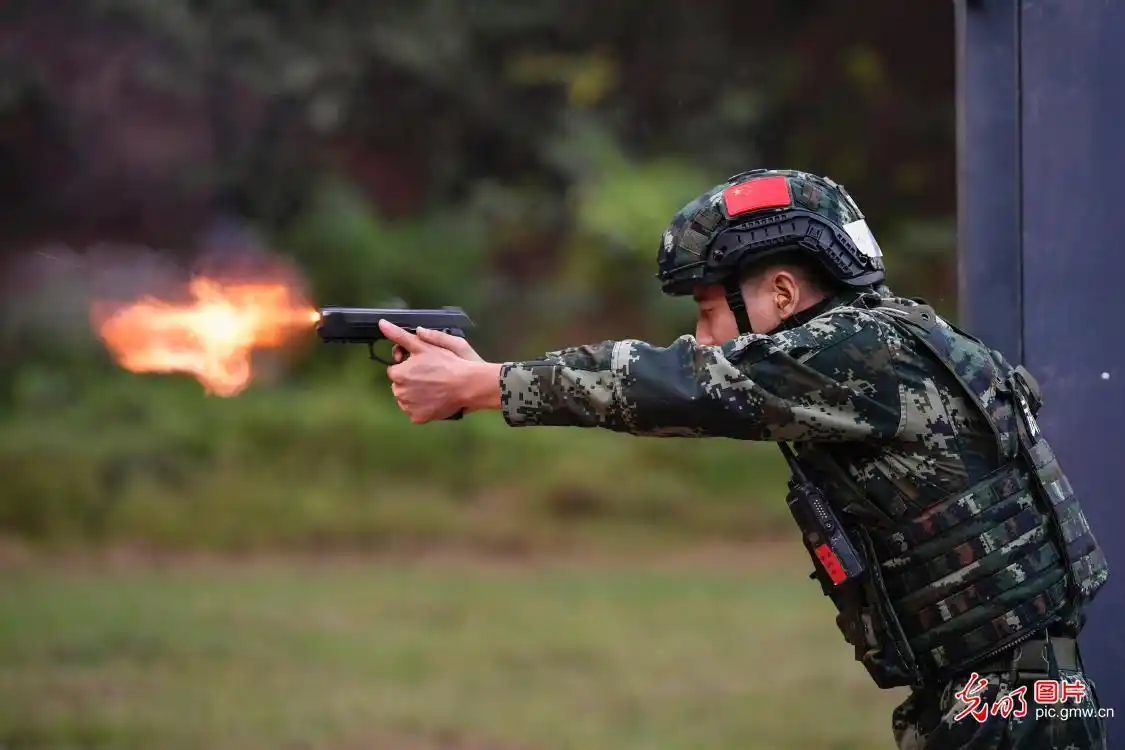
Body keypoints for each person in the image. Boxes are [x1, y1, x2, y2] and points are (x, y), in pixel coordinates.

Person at [377, 168, 1110, 749]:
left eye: (706, 312)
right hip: (999, 700)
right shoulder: (889, 341)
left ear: (783, 293)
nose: (698, 337)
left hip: (1005, 708)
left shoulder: (857, 351)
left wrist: (481, 384)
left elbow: (680, 387)